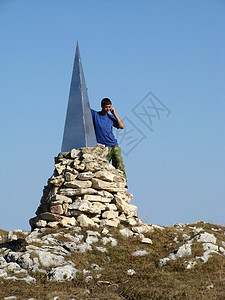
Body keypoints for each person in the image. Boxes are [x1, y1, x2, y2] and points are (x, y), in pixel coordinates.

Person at [91, 98, 126, 179]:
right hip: (103, 147)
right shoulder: (95, 115)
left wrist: (114, 114)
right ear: (102, 106)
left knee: (119, 163)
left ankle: (123, 182)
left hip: (114, 145)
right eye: (106, 107)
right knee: (103, 167)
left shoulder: (110, 117)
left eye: (109, 107)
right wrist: (84, 91)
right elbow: (84, 107)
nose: (108, 109)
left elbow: (122, 126)